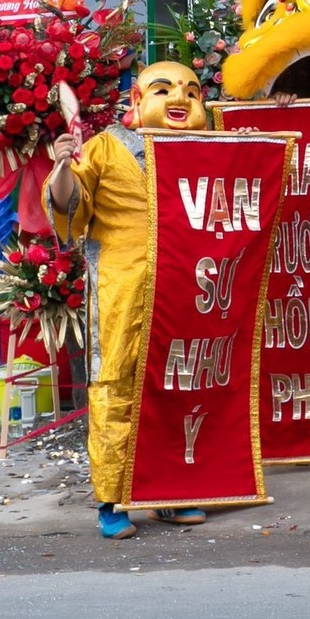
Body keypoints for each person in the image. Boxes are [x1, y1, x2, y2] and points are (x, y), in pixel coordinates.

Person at [46, 62, 215, 539]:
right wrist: (61, 165)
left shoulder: (208, 149)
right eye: (164, 89)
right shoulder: (103, 147)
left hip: (188, 289)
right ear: (135, 101)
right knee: (117, 386)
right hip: (123, 291)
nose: (181, 99)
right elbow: (68, 204)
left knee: (180, 388)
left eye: (192, 91)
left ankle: (169, 493)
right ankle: (112, 499)